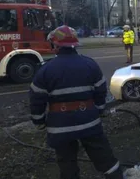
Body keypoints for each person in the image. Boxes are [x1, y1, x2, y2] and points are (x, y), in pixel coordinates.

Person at [29, 25, 124, 179]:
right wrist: (99, 110)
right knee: (105, 159)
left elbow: (36, 98)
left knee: (67, 165)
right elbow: (100, 91)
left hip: (60, 127)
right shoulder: (89, 64)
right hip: (89, 122)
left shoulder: (46, 70)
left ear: (55, 45)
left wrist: (38, 120)